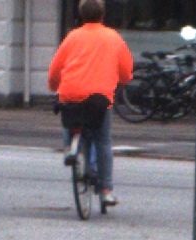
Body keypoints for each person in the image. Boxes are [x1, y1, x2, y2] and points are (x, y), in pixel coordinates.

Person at [48, 0, 133, 208]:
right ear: (102, 15)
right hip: (99, 98)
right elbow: (125, 69)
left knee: (69, 113)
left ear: (81, 16)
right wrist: (123, 80)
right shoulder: (113, 37)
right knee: (102, 141)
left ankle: (70, 148)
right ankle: (106, 191)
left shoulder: (72, 36)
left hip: (72, 92)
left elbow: (56, 68)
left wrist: (54, 86)